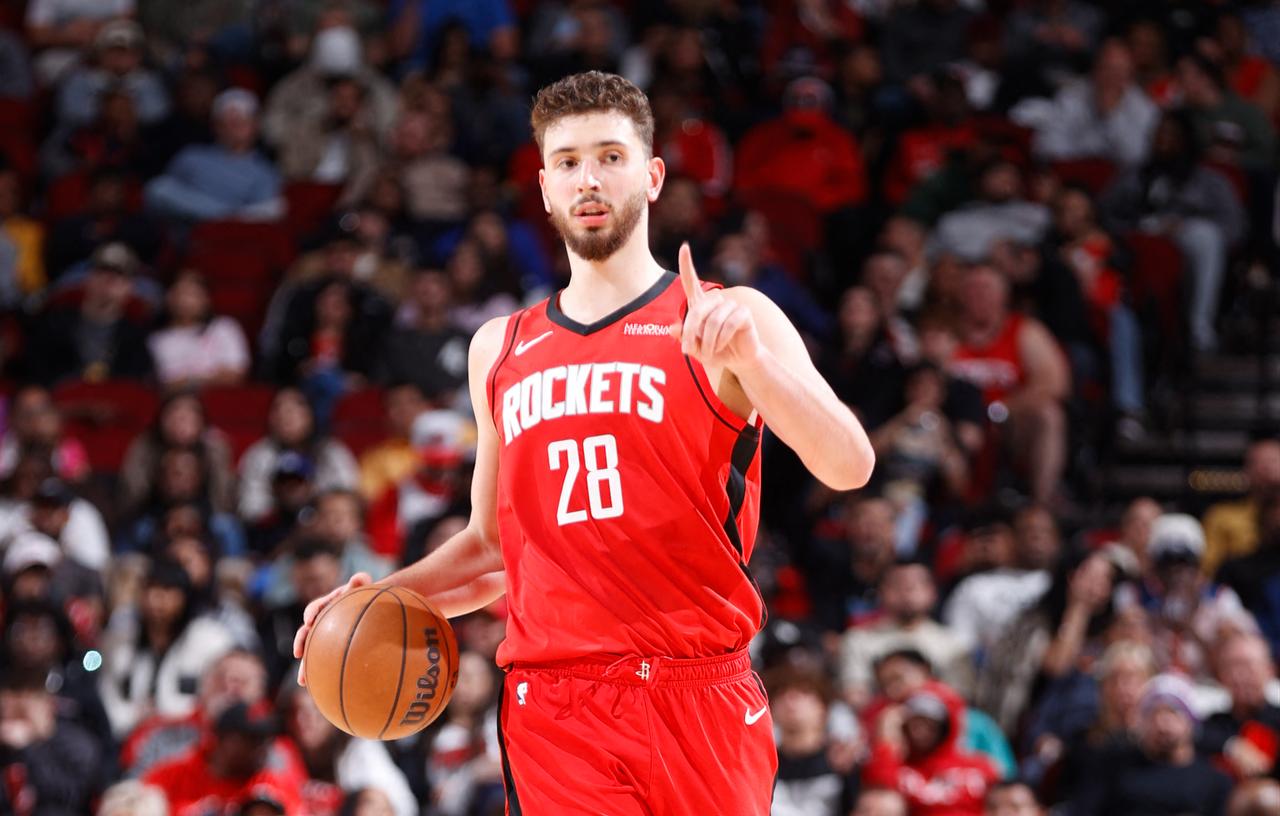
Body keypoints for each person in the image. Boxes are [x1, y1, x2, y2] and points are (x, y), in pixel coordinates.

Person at [294, 70, 875, 815]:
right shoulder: (499, 348)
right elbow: (492, 549)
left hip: (699, 690)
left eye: (610, 156)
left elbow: (849, 464)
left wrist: (753, 367)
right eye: (567, 162)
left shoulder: (729, 318)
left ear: (653, 176)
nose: (589, 179)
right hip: (557, 709)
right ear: (543, 187)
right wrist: (373, 599)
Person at [1072, 673, 1233, 816]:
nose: (1162, 722)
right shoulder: (1114, 769)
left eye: (1172, 712)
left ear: (1191, 721)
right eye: (1153, 713)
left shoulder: (1215, 783)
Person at [144, 88, 283, 223]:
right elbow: (161, 195)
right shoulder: (191, 156)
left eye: (241, 121)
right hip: (187, 230)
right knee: (159, 188)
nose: (235, 128)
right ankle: (228, 216)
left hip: (230, 237)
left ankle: (228, 218)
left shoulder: (265, 172)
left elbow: (266, 214)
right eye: (228, 122)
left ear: (255, 125)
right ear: (216, 126)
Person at [861, 684, 1000, 815]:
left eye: (930, 724)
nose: (920, 732)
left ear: (946, 726)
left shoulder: (980, 766)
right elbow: (877, 791)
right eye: (915, 723)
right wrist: (886, 740)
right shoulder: (897, 768)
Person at [1031, 38, 1158, 167]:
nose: (1111, 77)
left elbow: (1137, 158)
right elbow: (1046, 146)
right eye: (1107, 68)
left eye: (1119, 71)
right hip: (1073, 173)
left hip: (1119, 181)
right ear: (1096, 69)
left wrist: (1112, 117)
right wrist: (1086, 161)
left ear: (1130, 75)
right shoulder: (1072, 95)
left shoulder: (1143, 107)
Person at [147, 269, 251, 389]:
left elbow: (236, 375)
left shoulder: (224, 327)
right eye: (182, 293)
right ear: (169, 297)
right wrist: (211, 376)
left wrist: (189, 381)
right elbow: (163, 384)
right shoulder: (156, 339)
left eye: (194, 294)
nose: (186, 301)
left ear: (206, 299)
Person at [1203, 439, 1280, 577]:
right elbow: (1209, 571)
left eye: (1275, 462)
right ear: (1247, 472)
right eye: (1263, 465)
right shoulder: (1222, 518)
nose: (1271, 472)